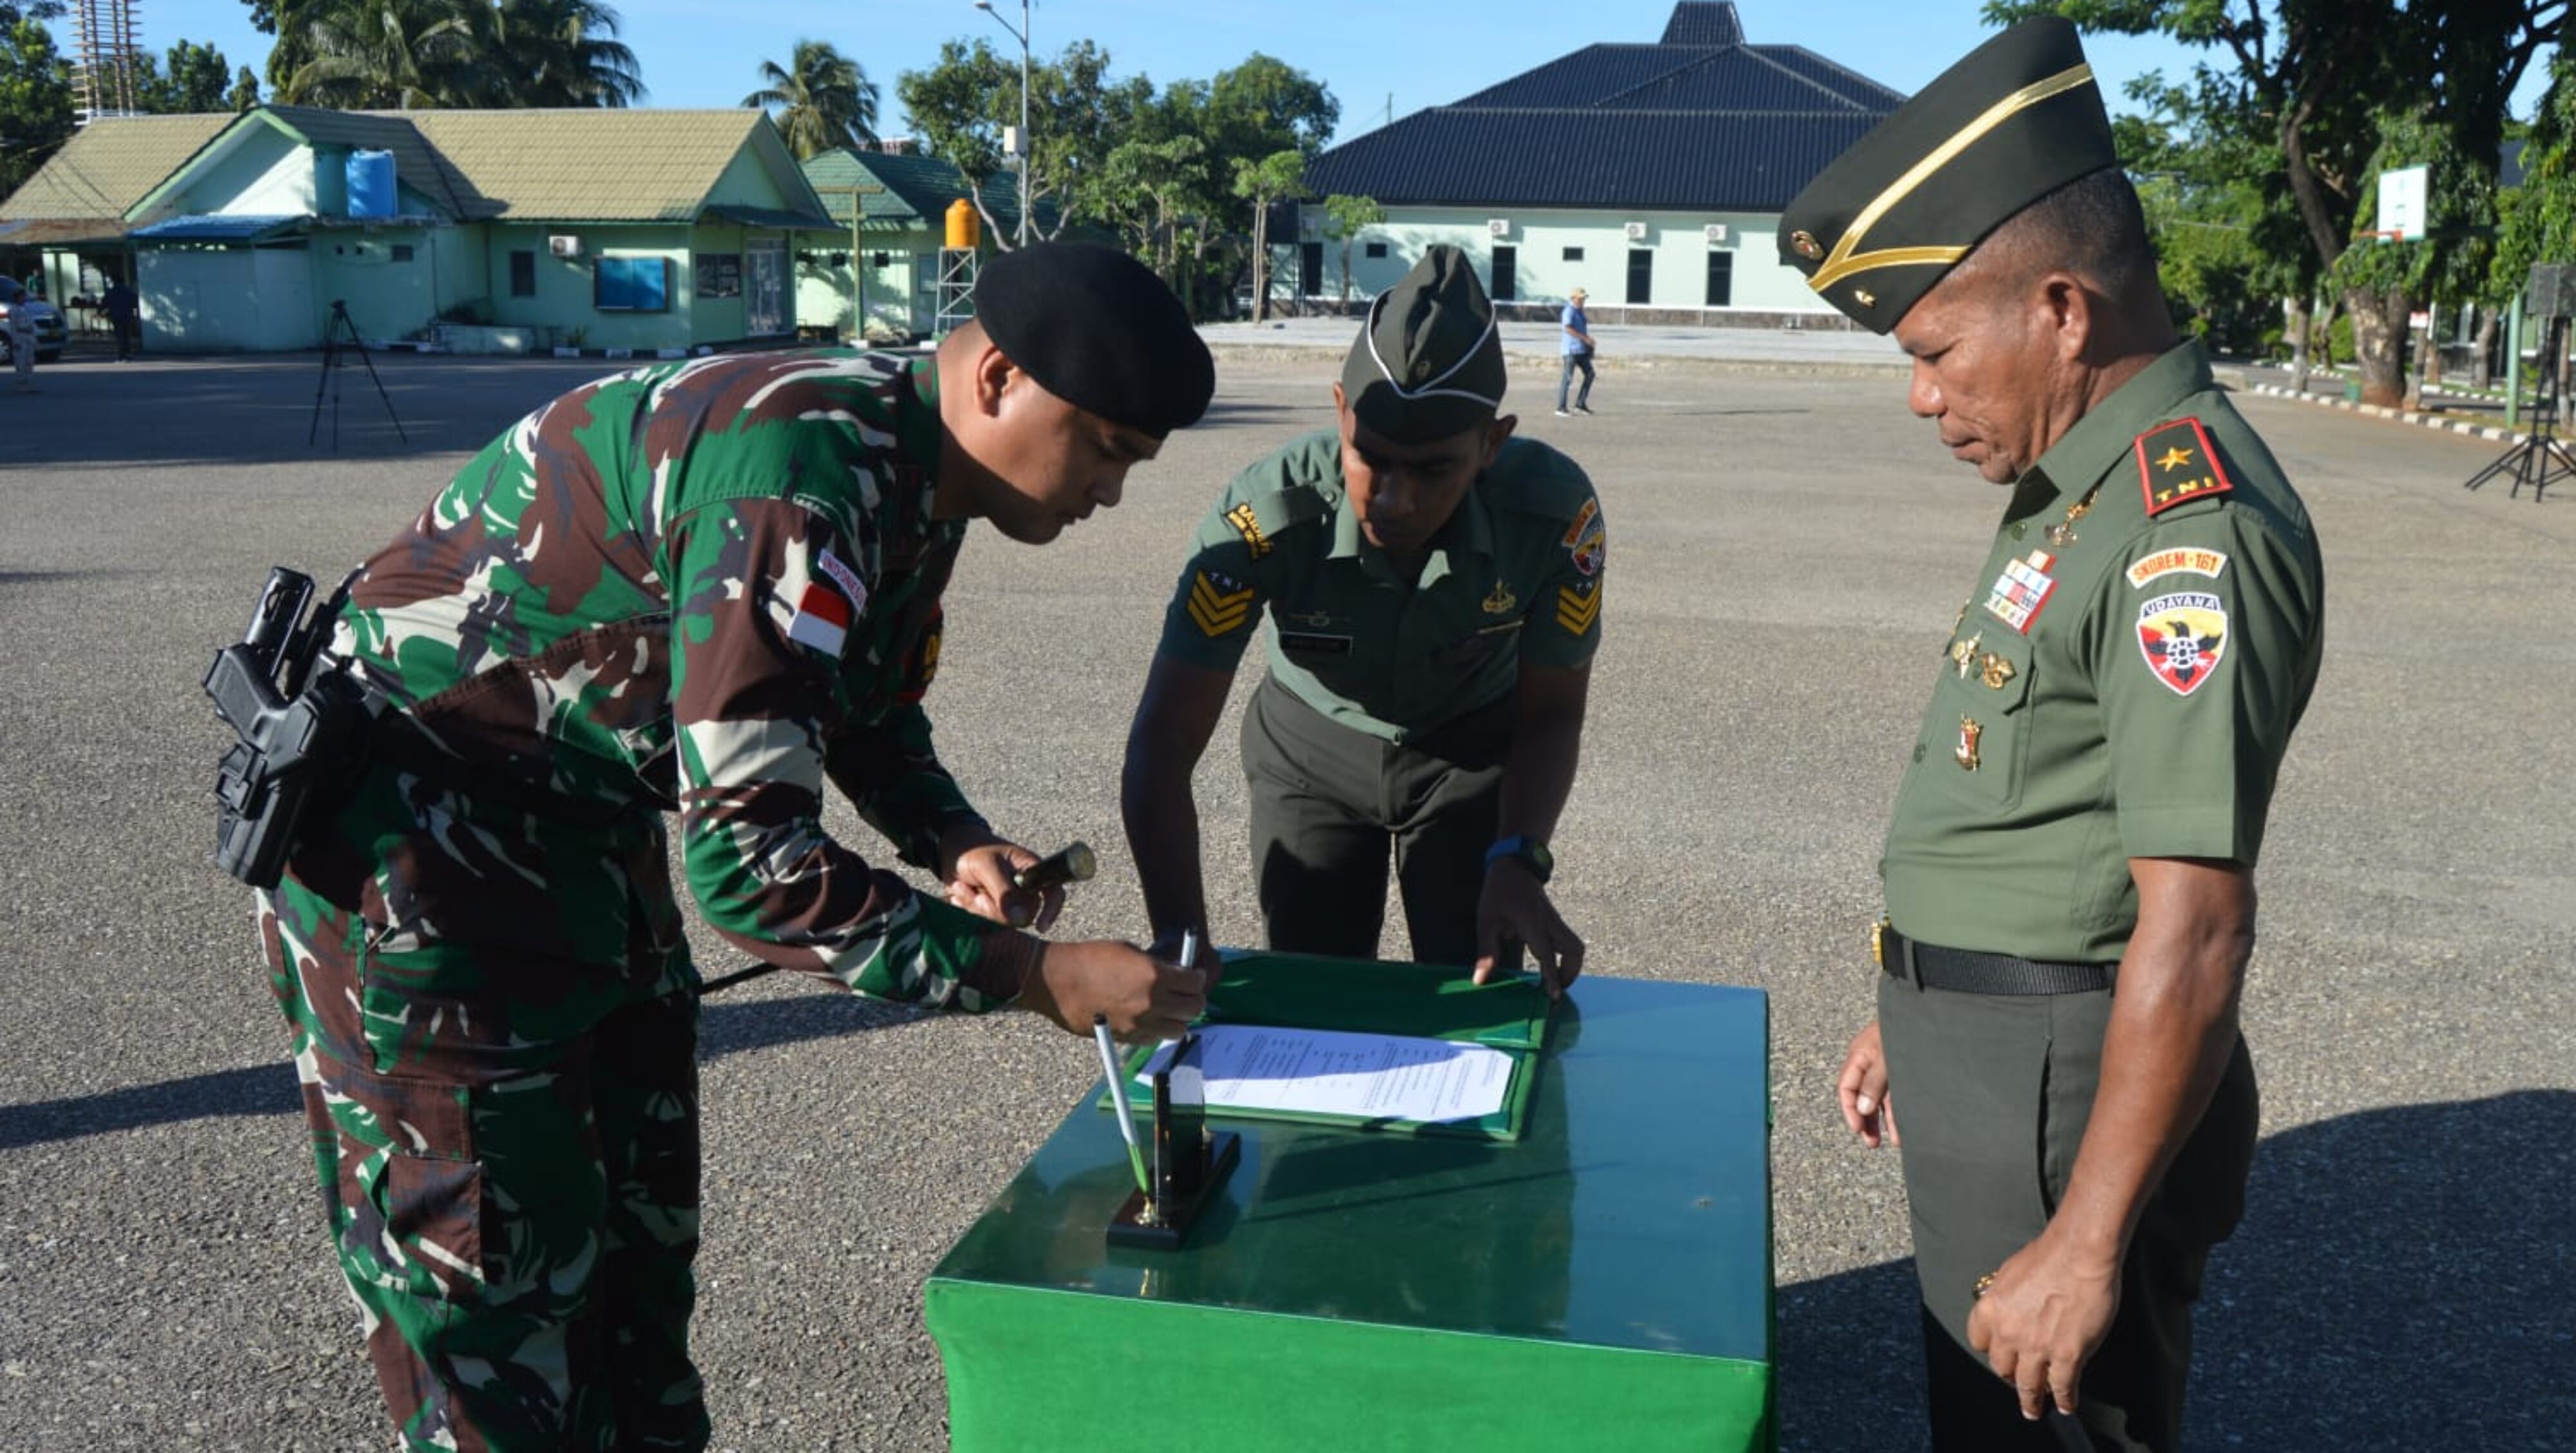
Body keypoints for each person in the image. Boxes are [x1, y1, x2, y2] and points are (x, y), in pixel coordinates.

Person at [248, 242, 1218, 1452]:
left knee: (636, 1274)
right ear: (999, 380)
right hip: (421, 873)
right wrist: (1038, 978)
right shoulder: (801, 477)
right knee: (493, 1317)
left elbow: (845, 692)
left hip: (577, 837)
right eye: (1107, 450)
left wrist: (953, 836)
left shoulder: (914, 464)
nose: (1111, 495)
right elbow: (752, 870)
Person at [1782, 20, 2326, 1453]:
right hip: (1994, 1060)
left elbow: (2196, 925)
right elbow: (2035, 807)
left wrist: (2083, 1249)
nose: (1919, 392)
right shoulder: (2075, 487)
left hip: (2057, 1104)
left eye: (1937, 349)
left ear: (2064, 310)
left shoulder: (2179, 530)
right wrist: (1920, 999)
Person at [1122, 245, 1598, 992]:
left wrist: (1518, 854)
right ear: (1339, 414)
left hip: (1470, 762)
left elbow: (1551, 713)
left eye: (1434, 470)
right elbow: (1162, 740)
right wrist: (1180, 935)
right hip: (1308, 757)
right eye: (1369, 457)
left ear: (1490, 446)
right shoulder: (1264, 515)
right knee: (1316, 997)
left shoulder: (1551, 516)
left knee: (1473, 998)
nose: (1393, 499)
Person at [1554, 287, 1595, 416]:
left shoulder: (1580, 311)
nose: (1583, 300)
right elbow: (1568, 329)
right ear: (1573, 298)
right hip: (1571, 350)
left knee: (1590, 374)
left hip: (1581, 350)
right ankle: (1561, 408)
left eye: (1584, 298)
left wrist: (1589, 345)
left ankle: (1580, 404)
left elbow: (1582, 330)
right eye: (1580, 298)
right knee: (1567, 378)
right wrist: (1585, 338)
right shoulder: (1569, 311)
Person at [102, 277, 139, 362]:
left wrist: (102, 312)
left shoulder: (111, 292)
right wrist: (134, 315)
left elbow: (104, 303)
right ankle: (128, 354)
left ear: (114, 282)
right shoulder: (129, 292)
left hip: (116, 317)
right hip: (127, 316)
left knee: (120, 337)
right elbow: (135, 303)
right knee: (126, 336)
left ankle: (121, 356)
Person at [6, 294, 35, 393]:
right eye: (22, 297)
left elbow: (31, 324)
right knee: (21, 362)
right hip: (20, 337)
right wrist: (15, 341)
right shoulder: (13, 310)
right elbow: (13, 327)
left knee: (29, 361)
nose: (24, 299)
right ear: (17, 298)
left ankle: (28, 383)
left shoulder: (25, 309)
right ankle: (21, 384)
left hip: (28, 337)